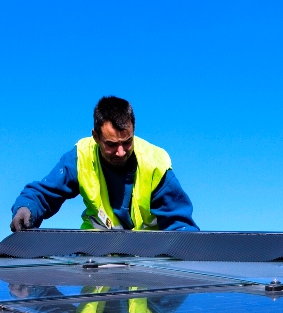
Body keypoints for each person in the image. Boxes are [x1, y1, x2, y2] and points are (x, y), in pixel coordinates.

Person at [10, 96, 199, 232]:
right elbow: (43, 193)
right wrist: (26, 209)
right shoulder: (81, 157)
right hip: (96, 258)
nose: (121, 152)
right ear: (96, 137)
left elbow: (180, 225)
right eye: (111, 144)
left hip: (146, 260)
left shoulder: (155, 164)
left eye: (127, 142)